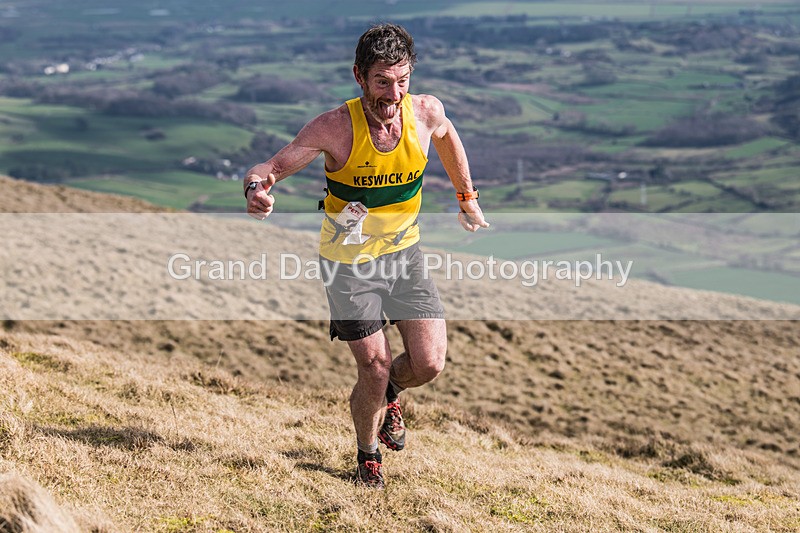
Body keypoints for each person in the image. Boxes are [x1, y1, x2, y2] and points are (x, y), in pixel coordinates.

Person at [244, 23, 489, 488]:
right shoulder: (334, 127)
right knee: (374, 367)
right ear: (359, 76)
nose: (393, 93)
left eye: (402, 81)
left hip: (405, 257)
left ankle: (391, 393)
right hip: (347, 265)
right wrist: (257, 189)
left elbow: (448, 135)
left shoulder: (425, 112)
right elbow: (271, 167)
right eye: (382, 81)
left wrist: (467, 196)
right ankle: (368, 455)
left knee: (429, 363)